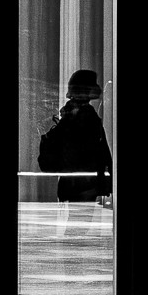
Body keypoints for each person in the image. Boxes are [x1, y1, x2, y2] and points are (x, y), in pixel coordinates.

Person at [40, 69, 112, 204]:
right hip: (84, 179)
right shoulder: (85, 115)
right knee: (82, 217)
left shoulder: (70, 113)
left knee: (76, 218)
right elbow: (97, 148)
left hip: (72, 178)